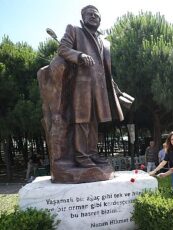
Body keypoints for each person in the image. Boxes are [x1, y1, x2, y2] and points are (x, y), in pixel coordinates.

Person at [57, 5, 124, 168]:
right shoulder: (74, 30)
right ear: (83, 17)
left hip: (100, 89)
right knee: (81, 121)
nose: (93, 16)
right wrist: (79, 55)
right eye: (89, 14)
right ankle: (81, 156)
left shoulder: (104, 41)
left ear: (100, 19)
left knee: (94, 122)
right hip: (81, 86)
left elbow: (104, 68)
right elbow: (62, 49)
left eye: (96, 14)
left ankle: (92, 153)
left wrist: (113, 86)